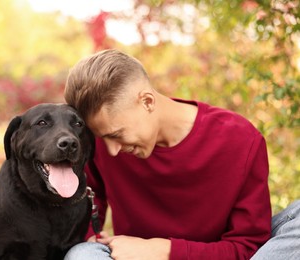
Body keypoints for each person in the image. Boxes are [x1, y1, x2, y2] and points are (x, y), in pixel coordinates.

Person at [62, 49, 300, 259]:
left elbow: (248, 248)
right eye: (103, 138)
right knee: (82, 253)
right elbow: (84, 210)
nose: (111, 150)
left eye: (116, 135)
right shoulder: (100, 138)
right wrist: (92, 237)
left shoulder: (240, 139)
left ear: (147, 102)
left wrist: (163, 251)